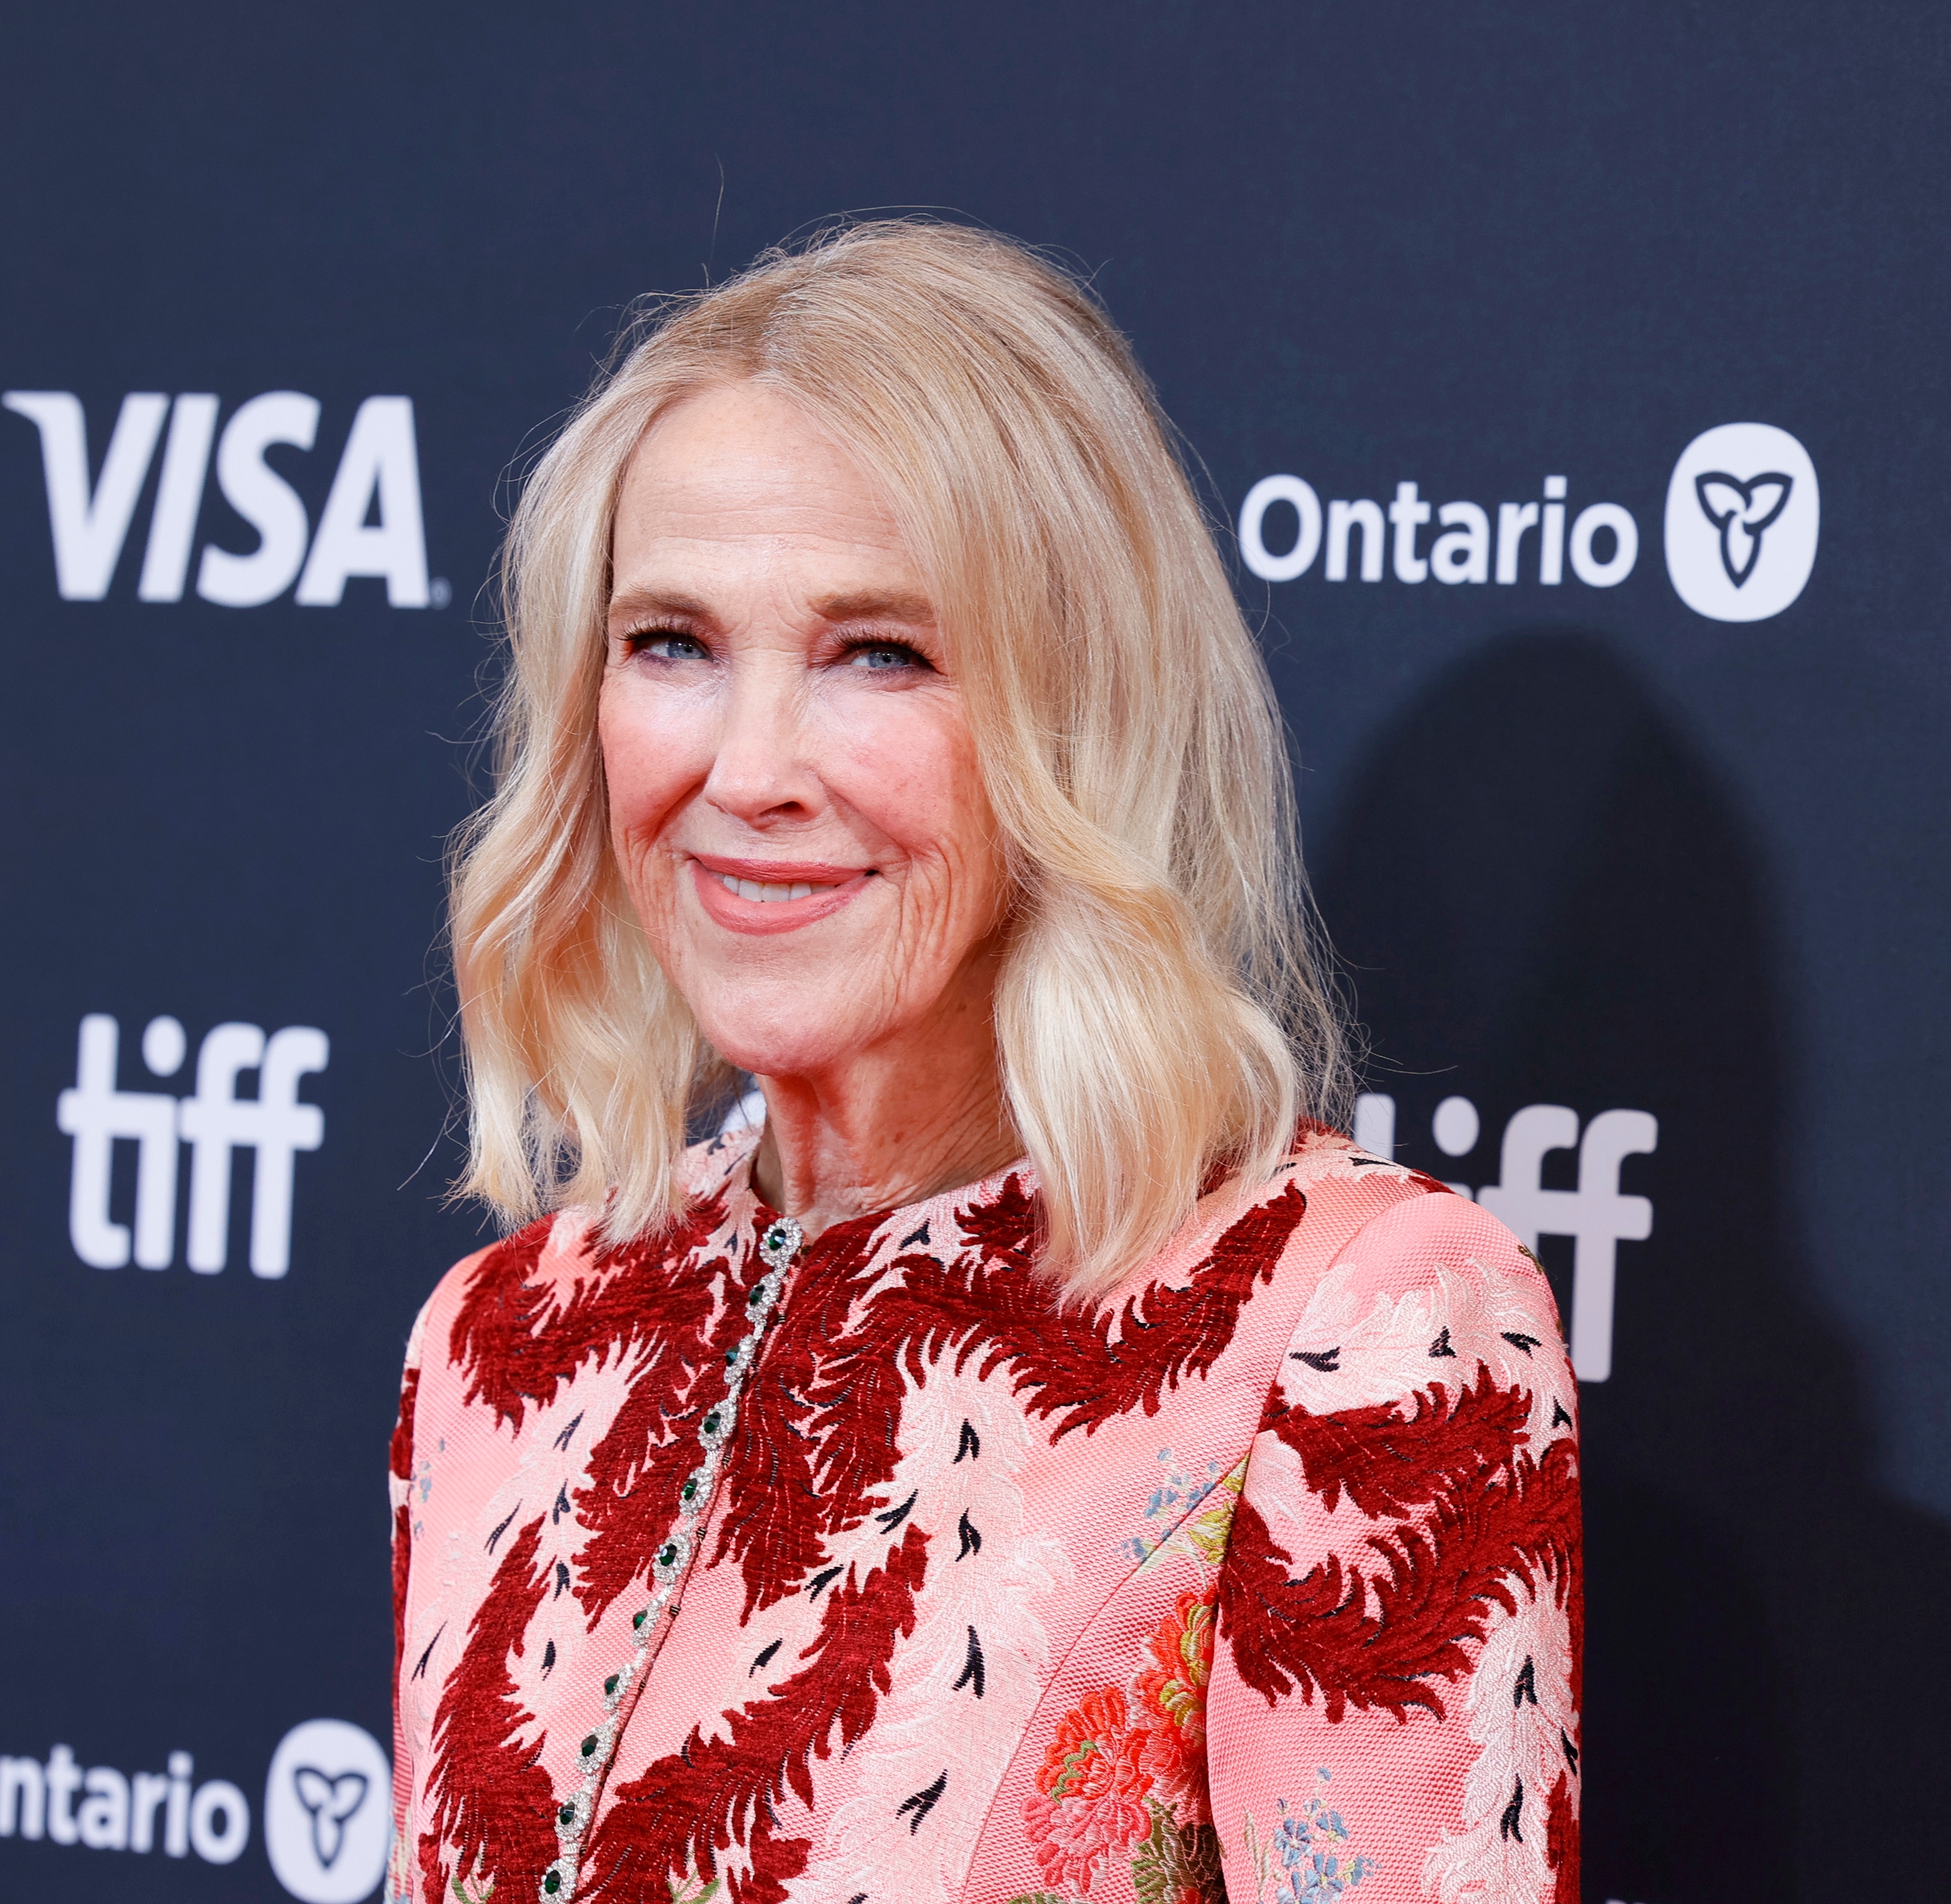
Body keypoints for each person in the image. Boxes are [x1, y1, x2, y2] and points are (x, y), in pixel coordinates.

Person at [392, 222, 1580, 1904]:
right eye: (669, 641)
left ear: (1073, 714)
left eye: (879, 651)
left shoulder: (1351, 1328)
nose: (747, 769)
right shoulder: (505, 1342)